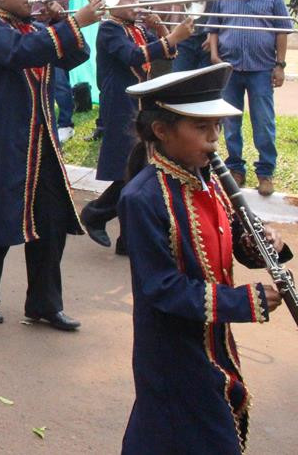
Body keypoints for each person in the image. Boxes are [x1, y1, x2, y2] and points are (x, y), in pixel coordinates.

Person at [119, 62, 288, 454]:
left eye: (217, 127)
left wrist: (260, 244)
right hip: (171, 350)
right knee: (195, 434)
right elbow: (161, 288)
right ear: (161, 131)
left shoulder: (206, 179)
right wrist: (244, 301)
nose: (214, 139)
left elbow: (223, 241)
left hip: (212, 339)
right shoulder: (142, 198)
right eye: (201, 128)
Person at [0, 0, 101, 330]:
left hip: (42, 143)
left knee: (51, 224)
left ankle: (44, 303)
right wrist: (71, 24)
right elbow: (19, 54)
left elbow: (74, 56)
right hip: (4, 141)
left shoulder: (39, 30)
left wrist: (66, 22)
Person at [80, 0, 192, 253]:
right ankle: (96, 214)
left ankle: (125, 239)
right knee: (129, 170)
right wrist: (172, 37)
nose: (136, 2)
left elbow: (167, 56)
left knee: (139, 169)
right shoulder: (110, 29)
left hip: (139, 103)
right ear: (111, 1)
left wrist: (163, 33)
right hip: (120, 104)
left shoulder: (135, 28)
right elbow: (132, 56)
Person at [205, 0, 292, 197]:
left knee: (263, 121)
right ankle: (235, 169)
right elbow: (214, 26)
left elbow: (282, 31)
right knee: (231, 121)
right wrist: (214, 54)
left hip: (261, 69)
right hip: (230, 68)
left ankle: (265, 172)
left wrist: (280, 65)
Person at [33, 0, 79, 142]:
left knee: (60, 78)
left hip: (55, 26)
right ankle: (45, 119)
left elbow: (63, 1)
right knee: (39, 77)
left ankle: (66, 123)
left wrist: (50, 8)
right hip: (34, 27)